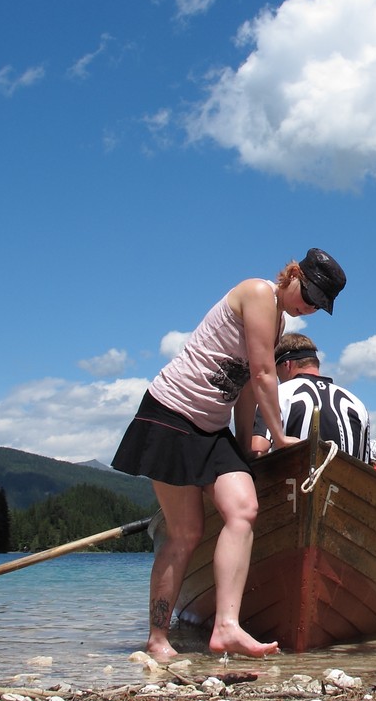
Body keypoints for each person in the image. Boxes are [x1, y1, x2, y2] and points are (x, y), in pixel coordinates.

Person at [112, 248, 347, 662]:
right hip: (172, 414)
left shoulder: (275, 325)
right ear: (293, 274)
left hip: (210, 429)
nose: (307, 305)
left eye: (317, 304)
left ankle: (226, 627)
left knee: (243, 508)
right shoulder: (258, 293)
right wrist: (278, 436)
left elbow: (242, 391)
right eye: (308, 293)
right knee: (185, 532)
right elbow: (261, 374)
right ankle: (157, 639)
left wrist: (243, 451)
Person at [251, 332, 371, 461]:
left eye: (277, 371)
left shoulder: (278, 394)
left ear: (287, 365)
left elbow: (258, 448)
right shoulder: (357, 404)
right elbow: (365, 464)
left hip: (295, 477)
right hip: (346, 480)